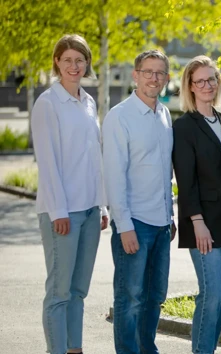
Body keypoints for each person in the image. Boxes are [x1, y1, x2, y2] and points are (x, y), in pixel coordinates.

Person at [31, 34, 108, 354]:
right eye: (68, 60)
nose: (74, 66)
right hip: (62, 212)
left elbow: (95, 160)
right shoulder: (48, 103)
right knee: (59, 292)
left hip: (90, 210)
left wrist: (102, 205)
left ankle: (74, 349)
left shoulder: (88, 102)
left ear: (87, 63)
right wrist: (58, 211)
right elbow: (47, 162)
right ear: (57, 64)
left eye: (80, 60)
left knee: (78, 291)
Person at [102, 49, 176, 354]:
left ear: (167, 79)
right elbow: (114, 176)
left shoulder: (165, 114)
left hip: (161, 224)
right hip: (134, 224)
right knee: (129, 297)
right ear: (136, 75)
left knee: (155, 294)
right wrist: (125, 225)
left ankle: (148, 349)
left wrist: (170, 216)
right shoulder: (120, 116)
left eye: (160, 73)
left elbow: (164, 171)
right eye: (148, 71)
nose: (154, 78)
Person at [172, 55, 221, 354]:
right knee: (210, 294)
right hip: (203, 223)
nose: (207, 85)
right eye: (200, 81)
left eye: (212, 79)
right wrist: (197, 221)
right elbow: (186, 180)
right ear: (190, 86)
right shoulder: (184, 127)